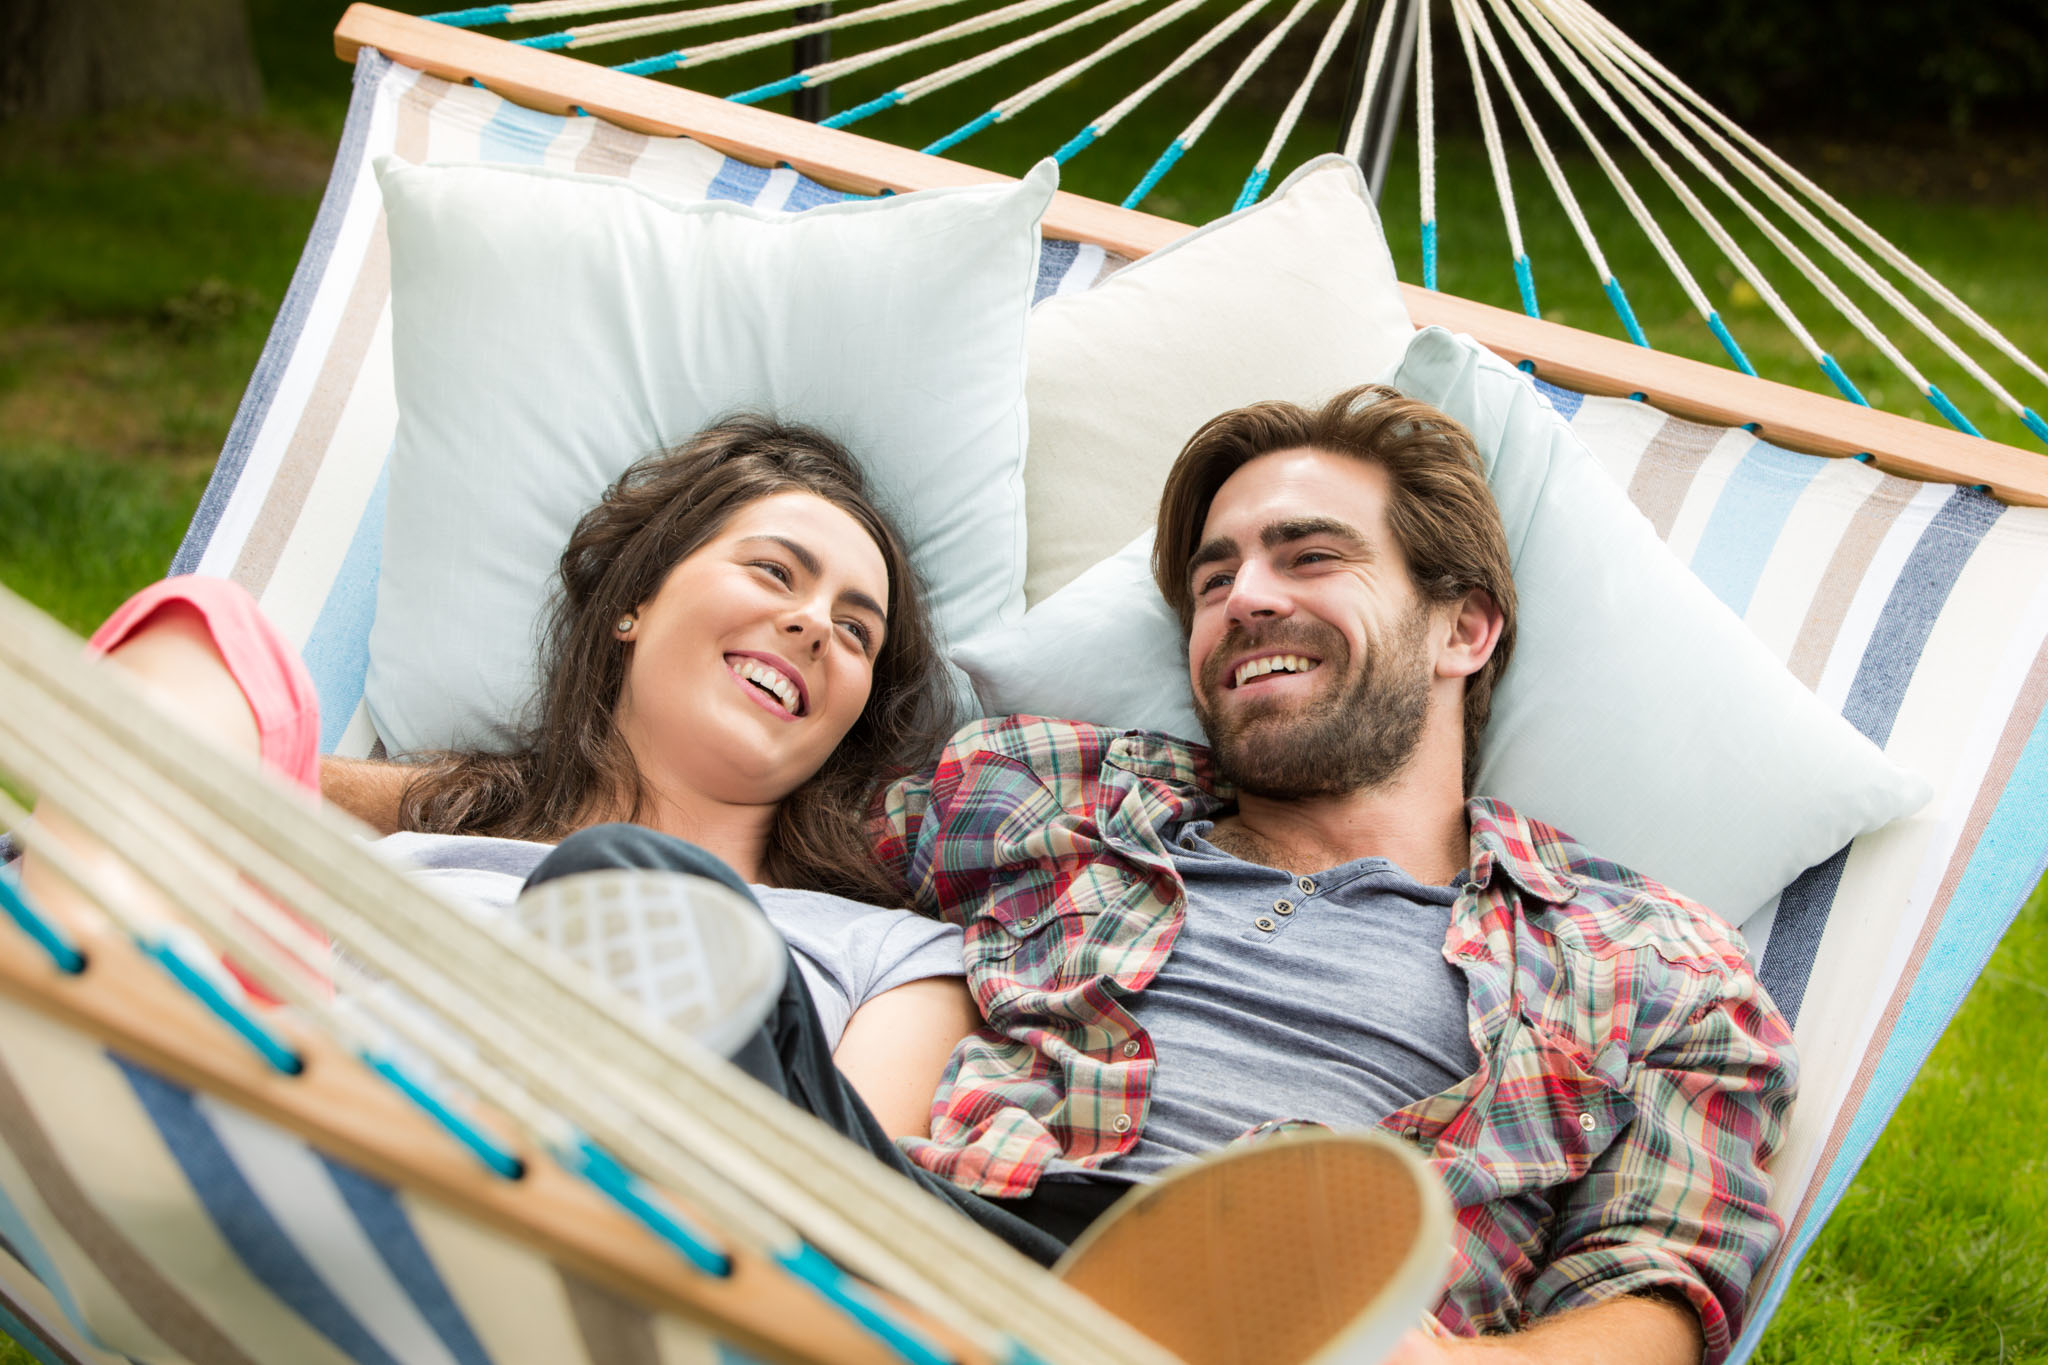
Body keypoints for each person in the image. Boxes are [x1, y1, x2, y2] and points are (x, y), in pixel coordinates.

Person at [859, 385, 1798, 1364]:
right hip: (946, 1265)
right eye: (1211, 582)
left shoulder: (1641, 957)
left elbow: (1661, 1275)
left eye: (1309, 557)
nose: (1245, 600)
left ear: (1461, 631)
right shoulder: (1049, 792)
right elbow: (775, 843)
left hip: (1282, 1323)